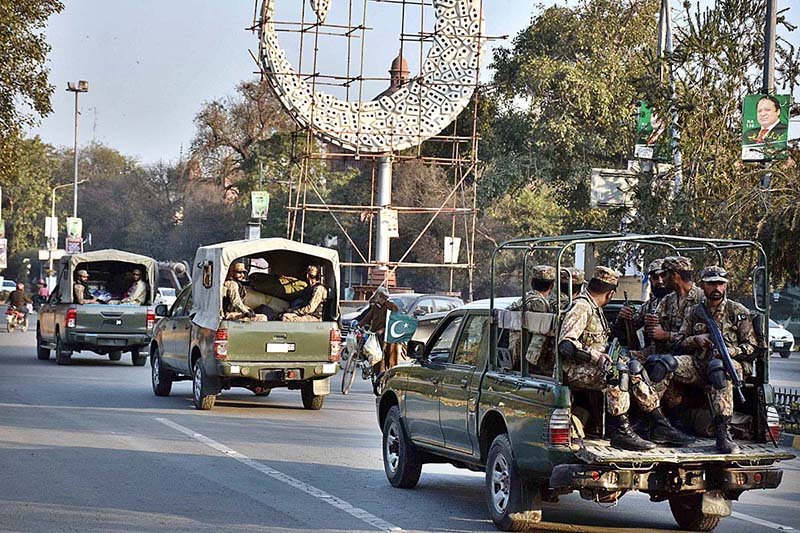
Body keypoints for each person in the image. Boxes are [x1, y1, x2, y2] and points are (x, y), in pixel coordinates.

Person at [557, 266, 691, 450]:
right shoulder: (582, 307)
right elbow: (566, 345)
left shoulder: (594, 307)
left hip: (589, 365)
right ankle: (621, 430)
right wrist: (597, 357)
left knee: (633, 368)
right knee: (619, 372)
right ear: (610, 294)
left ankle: (659, 423)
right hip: (572, 369)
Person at [669, 266, 757, 454]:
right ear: (703, 285)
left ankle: (723, 434)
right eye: (711, 283)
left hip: (731, 365)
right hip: (699, 363)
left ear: (726, 286)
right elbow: (678, 341)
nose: (716, 287)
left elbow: (751, 347)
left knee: (720, 369)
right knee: (665, 365)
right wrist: (696, 340)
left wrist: (728, 351)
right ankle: (665, 423)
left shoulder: (737, 311)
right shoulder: (695, 311)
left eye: (720, 283)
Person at [616, 258, 670, 351]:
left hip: (674, 356)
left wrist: (665, 335)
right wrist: (622, 317)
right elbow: (630, 325)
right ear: (650, 280)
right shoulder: (649, 305)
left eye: (663, 276)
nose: (660, 281)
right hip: (650, 354)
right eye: (655, 278)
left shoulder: (680, 300)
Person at [357, 286, 400, 372]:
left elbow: (394, 322)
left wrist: (382, 330)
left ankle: (390, 376)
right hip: (376, 337)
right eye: (380, 296)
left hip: (389, 338)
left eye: (383, 297)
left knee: (390, 359)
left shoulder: (391, 307)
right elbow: (367, 318)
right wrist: (358, 325)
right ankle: (378, 376)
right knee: (376, 358)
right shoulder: (375, 307)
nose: (381, 299)